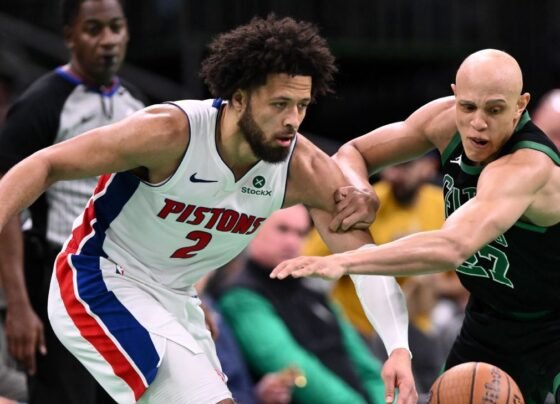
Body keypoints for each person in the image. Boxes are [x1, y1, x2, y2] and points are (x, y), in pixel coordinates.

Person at [0, 15, 417, 404]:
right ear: (239, 98)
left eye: (302, 105)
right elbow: (45, 164)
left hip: (177, 296)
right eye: (279, 104)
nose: (293, 120)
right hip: (100, 278)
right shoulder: (171, 132)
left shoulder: (302, 169)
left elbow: (365, 261)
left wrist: (398, 346)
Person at [271, 48, 560, 404]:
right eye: (468, 106)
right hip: (491, 319)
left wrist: (345, 260)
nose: (478, 122)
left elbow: (453, 246)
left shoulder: (526, 166)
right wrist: (362, 189)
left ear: (520, 105)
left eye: (495, 109)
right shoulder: (444, 121)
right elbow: (352, 152)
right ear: (455, 96)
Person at [0, 0, 144, 403]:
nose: (107, 40)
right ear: (70, 36)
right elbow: (6, 206)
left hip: (121, 274)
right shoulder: (40, 105)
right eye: (93, 29)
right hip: (56, 274)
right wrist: (18, 305)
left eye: (115, 27)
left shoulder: (138, 104)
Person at [220, 205, 387, 404]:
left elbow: (365, 364)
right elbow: (293, 366)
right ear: (254, 229)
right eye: (282, 229)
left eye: (300, 233)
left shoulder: (313, 290)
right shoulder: (242, 296)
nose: (292, 242)